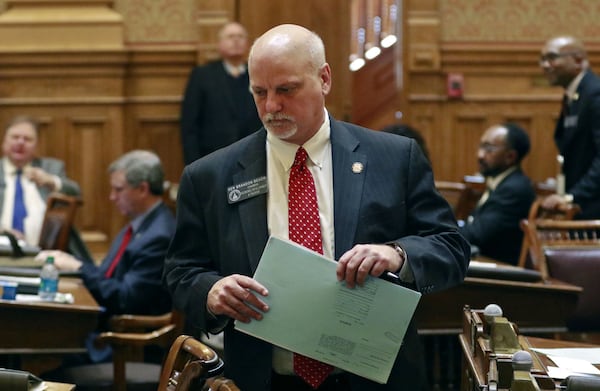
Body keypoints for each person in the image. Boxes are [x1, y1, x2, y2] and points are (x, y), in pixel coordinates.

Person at [164, 24, 470, 391]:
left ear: (324, 79)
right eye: (259, 92)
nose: (271, 106)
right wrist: (210, 292)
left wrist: (397, 254)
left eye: (286, 90)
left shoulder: (393, 158)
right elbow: (181, 271)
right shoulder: (210, 176)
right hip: (264, 379)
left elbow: (451, 247)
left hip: (374, 378)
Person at [37, 150, 175, 363]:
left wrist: (79, 268)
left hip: (123, 346)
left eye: (118, 190)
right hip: (103, 332)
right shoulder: (139, 225)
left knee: (42, 355)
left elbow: (124, 298)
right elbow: (106, 277)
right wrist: (75, 263)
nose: (112, 197)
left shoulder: (159, 236)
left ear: (142, 189)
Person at [179, 21, 263, 165]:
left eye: (240, 36)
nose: (236, 40)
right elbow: (190, 125)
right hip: (213, 158)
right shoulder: (202, 75)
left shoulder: (258, 74)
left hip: (253, 158)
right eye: (230, 37)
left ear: (248, 43)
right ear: (219, 43)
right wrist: (194, 165)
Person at [539, 35, 600, 219]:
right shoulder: (576, 95)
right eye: (542, 59)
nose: (545, 65)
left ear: (578, 60)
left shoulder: (595, 94)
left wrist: (572, 196)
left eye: (552, 57)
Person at [458, 123, 535, 265]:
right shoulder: (501, 183)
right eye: (481, 146)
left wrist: (441, 232)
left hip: (499, 271)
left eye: (489, 149)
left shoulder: (514, 189)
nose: (480, 155)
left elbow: (477, 234)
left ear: (510, 156)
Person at [0, 115, 81, 245]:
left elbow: (76, 193)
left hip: (46, 252)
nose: (20, 142)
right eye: (15, 137)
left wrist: (51, 181)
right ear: (4, 141)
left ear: (36, 145)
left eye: (27, 139)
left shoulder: (51, 167)